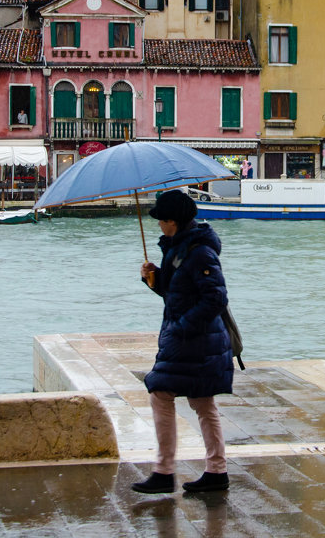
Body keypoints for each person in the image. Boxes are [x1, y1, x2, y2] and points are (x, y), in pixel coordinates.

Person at [133, 189, 233, 494]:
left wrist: (181, 327)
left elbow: (215, 297)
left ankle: (164, 472)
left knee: (160, 391)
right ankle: (216, 471)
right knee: (202, 401)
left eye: (161, 220)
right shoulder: (179, 248)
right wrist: (154, 278)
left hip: (194, 340)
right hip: (191, 338)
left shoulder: (199, 251)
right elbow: (176, 292)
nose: (159, 226)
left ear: (172, 221)